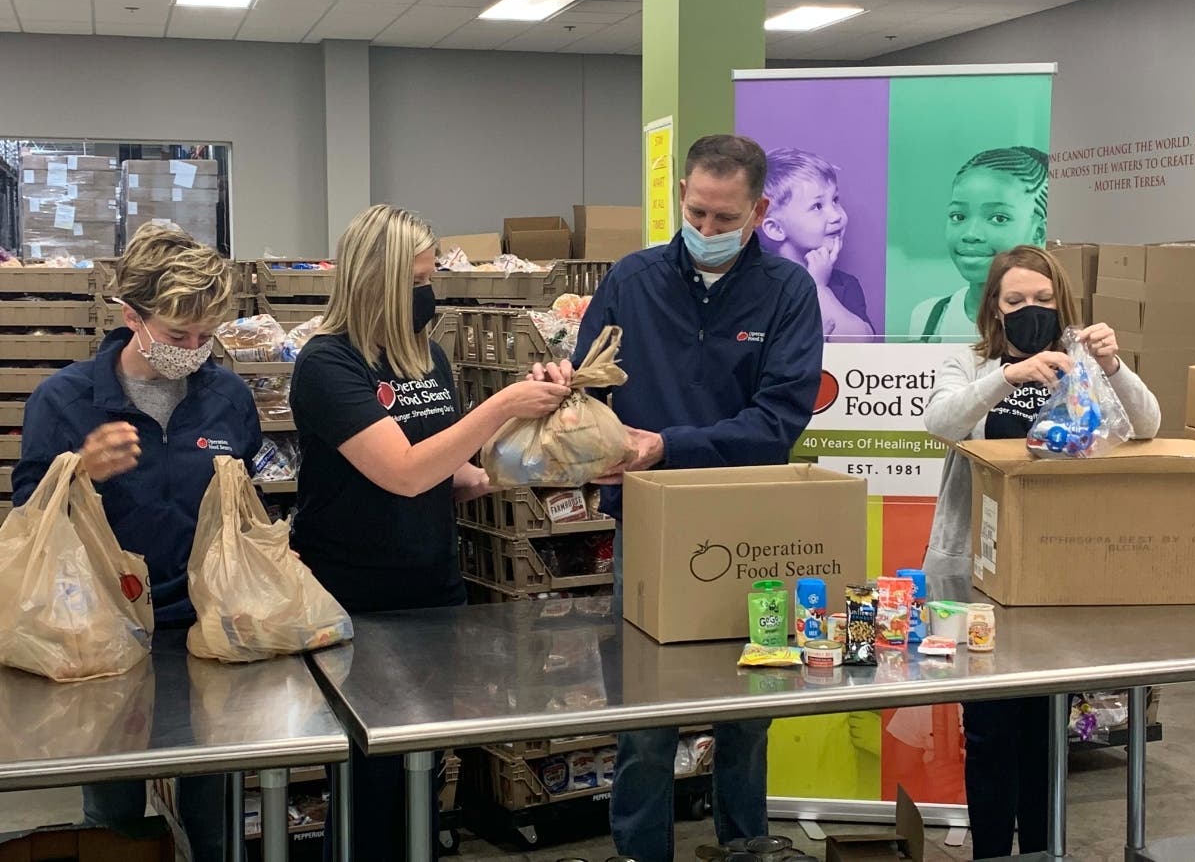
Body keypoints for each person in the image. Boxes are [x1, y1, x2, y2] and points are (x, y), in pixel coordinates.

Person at [537, 135, 825, 862]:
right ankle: (641, 850)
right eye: (696, 211)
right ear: (681, 199)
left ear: (759, 211)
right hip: (651, 525)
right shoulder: (631, 281)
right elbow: (587, 384)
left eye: (726, 219)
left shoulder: (787, 293)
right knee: (642, 711)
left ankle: (745, 844)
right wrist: (568, 408)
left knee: (747, 708)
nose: (707, 229)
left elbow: (780, 419)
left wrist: (668, 444)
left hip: (750, 527)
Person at [286, 204, 569, 860]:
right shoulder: (329, 367)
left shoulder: (427, 359)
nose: (430, 290)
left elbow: (454, 475)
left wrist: (538, 443)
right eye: (419, 278)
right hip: (354, 603)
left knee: (421, 769)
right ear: (378, 282)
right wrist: (503, 405)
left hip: (433, 592)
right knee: (366, 777)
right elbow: (406, 473)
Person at [12, 223, 262, 862]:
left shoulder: (228, 398)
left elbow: (245, 505)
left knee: (215, 807)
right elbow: (29, 523)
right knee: (117, 812)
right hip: (104, 639)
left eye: (208, 336)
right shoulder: (64, 401)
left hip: (206, 633)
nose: (194, 350)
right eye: (178, 335)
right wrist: (79, 473)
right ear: (131, 315)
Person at [920, 245, 1160, 858]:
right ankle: (993, 852)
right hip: (978, 582)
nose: (1032, 310)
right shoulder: (968, 365)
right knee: (991, 729)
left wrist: (1111, 365)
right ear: (995, 311)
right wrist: (1007, 375)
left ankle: (1043, 850)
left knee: (1046, 730)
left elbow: (1146, 425)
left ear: (1065, 305)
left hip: (1053, 578)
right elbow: (940, 421)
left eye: (1044, 300)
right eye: (1016, 300)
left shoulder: (1084, 365)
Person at [911, 147, 1049, 343]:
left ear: (1039, 232)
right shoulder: (927, 317)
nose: (970, 234)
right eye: (958, 216)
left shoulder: (1053, 323)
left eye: (998, 218)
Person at [759, 147, 874, 337]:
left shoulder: (845, 285)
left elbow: (861, 345)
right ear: (776, 229)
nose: (836, 215)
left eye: (835, 200)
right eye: (817, 206)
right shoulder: (755, 285)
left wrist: (819, 288)